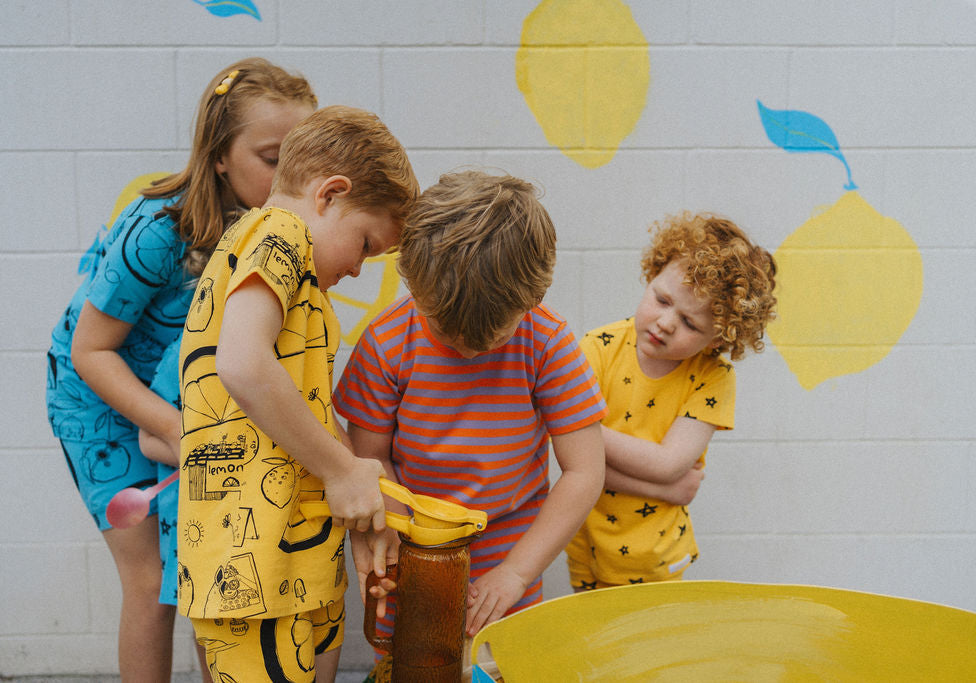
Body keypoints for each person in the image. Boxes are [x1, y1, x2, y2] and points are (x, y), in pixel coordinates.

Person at [45, 57, 318, 682]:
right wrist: (167, 427)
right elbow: (91, 351)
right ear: (219, 155)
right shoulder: (159, 228)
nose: (289, 178)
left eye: (303, 158)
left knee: (202, 576)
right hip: (100, 399)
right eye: (274, 158)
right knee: (150, 583)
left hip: (178, 402)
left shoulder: (270, 227)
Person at [175, 104, 418, 683]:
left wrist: (365, 491)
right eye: (365, 244)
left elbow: (305, 405)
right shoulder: (277, 233)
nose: (361, 269)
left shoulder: (298, 271)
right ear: (329, 194)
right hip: (251, 564)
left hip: (296, 556)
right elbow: (242, 363)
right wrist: (342, 470)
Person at [333, 170, 608, 679]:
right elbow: (369, 456)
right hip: (413, 559)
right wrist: (387, 531)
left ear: (531, 298)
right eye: (446, 329)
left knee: (502, 669)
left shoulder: (546, 342)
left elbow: (584, 472)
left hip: (510, 556)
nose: (466, 348)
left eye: (490, 337)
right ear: (412, 282)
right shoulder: (387, 342)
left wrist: (516, 573)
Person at [565, 212, 777, 591]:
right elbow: (574, 458)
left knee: (646, 647)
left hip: (656, 557)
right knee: (594, 646)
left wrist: (580, 429)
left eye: (690, 324)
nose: (665, 323)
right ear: (652, 275)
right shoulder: (599, 347)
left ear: (716, 339)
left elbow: (667, 464)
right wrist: (661, 490)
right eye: (662, 300)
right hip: (586, 543)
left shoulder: (713, 377)